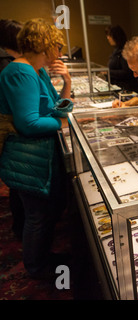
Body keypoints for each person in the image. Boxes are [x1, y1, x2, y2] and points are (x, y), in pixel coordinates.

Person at [0, 18, 70, 279]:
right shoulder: (21, 71)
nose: (60, 52)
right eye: (57, 45)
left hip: (40, 157)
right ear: (45, 45)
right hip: (27, 158)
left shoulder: (35, 70)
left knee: (46, 213)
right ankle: (37, 267)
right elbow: (28, 123)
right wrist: (62, 123)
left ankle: (43, 258)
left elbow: (57, 105)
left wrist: (67, 82)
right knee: (37, 217)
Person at [0, 19, 25, 239]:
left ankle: (20, 227)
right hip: (11, 130)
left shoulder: (10, 63)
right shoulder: (10, 65)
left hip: (10, 129)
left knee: (17, 185)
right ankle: (20, 228)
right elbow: (26, 119)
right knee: (18, 184)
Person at [105, 25, 138, 92]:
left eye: (109, 35)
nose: (108, 38)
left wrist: (107, 72)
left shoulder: (125, 50)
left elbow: (127, 72)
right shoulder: (116, 50)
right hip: (117, 86)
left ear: (116, 36)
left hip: (125, 88)